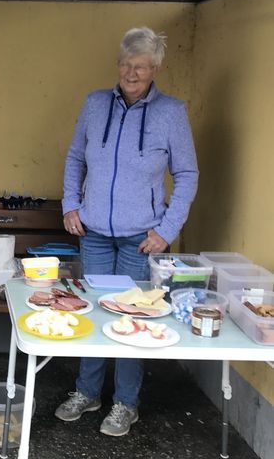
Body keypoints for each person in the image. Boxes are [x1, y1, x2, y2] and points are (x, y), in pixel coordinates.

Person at [55, 27, 198, 437]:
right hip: (95, 230)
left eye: (141, 66)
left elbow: (187, 174)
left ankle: (125, 403)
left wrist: (167, 229)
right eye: (126, 64)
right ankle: (87, 392)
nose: (132, 73)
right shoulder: (96, 103)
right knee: (95, 309)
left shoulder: (171, 112)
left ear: (155, 69)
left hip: (141, 237)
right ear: (117, 65)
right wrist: (71, 204)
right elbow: (75, 157)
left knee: (133, 316)